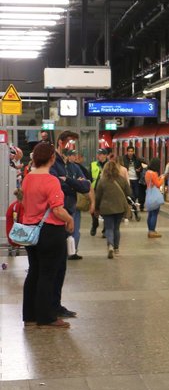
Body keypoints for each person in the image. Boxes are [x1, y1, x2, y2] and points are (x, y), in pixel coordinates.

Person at [21, 142, 74, 329]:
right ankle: (47, 317)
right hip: (49, 232)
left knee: (34, 272)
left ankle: (30, 315)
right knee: (48, 274)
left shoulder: (27, 178)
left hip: (30, 231)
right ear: (52, 158)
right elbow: (58, 210)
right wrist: (69, 220)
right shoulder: (51, 180)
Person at [49, 133, 89, 319]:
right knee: (55, 265)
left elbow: (86, 186)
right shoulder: (53, 164)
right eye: (68, 143)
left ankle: (55, 305)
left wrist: (68, 181)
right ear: (60, 143)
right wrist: (72, 184)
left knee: (61, 265)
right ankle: (51, 307)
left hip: (68, 214)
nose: (71, 148)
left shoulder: (72, 166)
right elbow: (56, 186)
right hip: (56, 218)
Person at [94, 159, 132, 259]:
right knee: (116, 228)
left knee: (109, 228)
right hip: (119, 207)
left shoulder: (102, 181)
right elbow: (129, 192)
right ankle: (116, 249)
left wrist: (96, 208)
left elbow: (97, 196)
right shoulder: (122, 179)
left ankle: (110, 245)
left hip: (106, 208)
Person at [89, 148, 110, 236]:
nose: (99, 156)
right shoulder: (93, 164)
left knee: (106, 210)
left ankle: (105, 229)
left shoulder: (110, 165)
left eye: (101, 154)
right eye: (98, 154)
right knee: (94, 209)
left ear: (105, 155)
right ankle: (95, 224)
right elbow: (89, 177)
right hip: (95, 190)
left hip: (107, 190)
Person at [143, 158, 165, 238]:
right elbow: (158, 184)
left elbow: (151, 183)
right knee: (154, 213)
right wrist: (162, 178)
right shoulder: (154, 173)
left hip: (149, 193)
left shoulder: (147, 172)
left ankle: (150, 230)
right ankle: (152, 231)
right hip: (154, 195)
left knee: (150, 213)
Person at [123, 146, 145, 221]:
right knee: (130, 196)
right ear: (127, 151)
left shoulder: (137, 159)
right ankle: (134, 212)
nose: (130, 152)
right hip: (128, 179)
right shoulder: (124, 159)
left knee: (136, 195)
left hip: (136, 179)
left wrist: (140, 169)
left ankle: (132, 209)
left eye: (132, 151)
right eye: (129, 151)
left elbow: (142, 167)